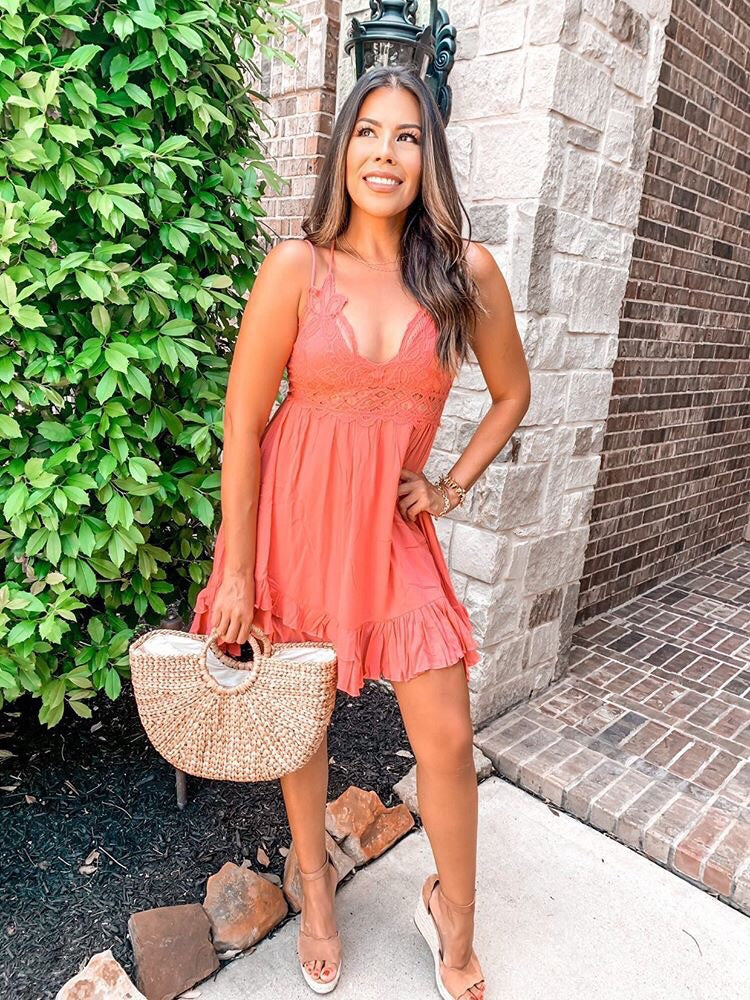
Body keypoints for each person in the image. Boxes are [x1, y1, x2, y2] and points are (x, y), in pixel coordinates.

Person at [189, 64, 529, 1000]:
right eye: (370, 132)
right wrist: (239, 572)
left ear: (429, 157)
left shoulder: (464, 272)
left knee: (446, 738)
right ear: (344, 150)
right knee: (304, 723)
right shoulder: (295, 269)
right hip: (293, 525)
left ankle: (453, 917)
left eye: (407, 136)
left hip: (388, 532)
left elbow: (512, 393)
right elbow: (244, 425)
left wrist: (448, 486)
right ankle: (316, 892)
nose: (386, 153)